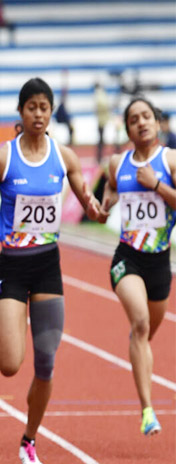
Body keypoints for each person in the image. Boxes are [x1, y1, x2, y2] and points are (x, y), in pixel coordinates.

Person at [0, 78, 101, 464]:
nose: (39, 114)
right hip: (12, 265)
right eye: (32, 107)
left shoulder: (63, 157)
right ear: (21, 111)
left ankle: (29, 439)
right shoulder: (3, 159)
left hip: (48, 266)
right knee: (9, 364)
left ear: (51, 112)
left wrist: (96, 209)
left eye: (45, 107)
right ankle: (7, 313)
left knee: (45, 362)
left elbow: (85, 197)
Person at [100, 97, 175, 436]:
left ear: (157, 123)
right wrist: (106, 202)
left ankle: (137, 346)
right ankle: (147, 410)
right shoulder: (118, 163)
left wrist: (157, 185)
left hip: (160, 262)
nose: (141, 123)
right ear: (127, 128)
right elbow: (111, 189)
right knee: (141, 322)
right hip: (127, 257)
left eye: (147, 116)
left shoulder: (170, 160)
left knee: (143, 335)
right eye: (134, 119)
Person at [94, 81, 112, 164]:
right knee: (101, 139)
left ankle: (99, 157)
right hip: (102, 120)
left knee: (101, 139)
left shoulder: (98, 94)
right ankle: (99, 157)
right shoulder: (100, 94)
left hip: (101, 120)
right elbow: (103, 105)